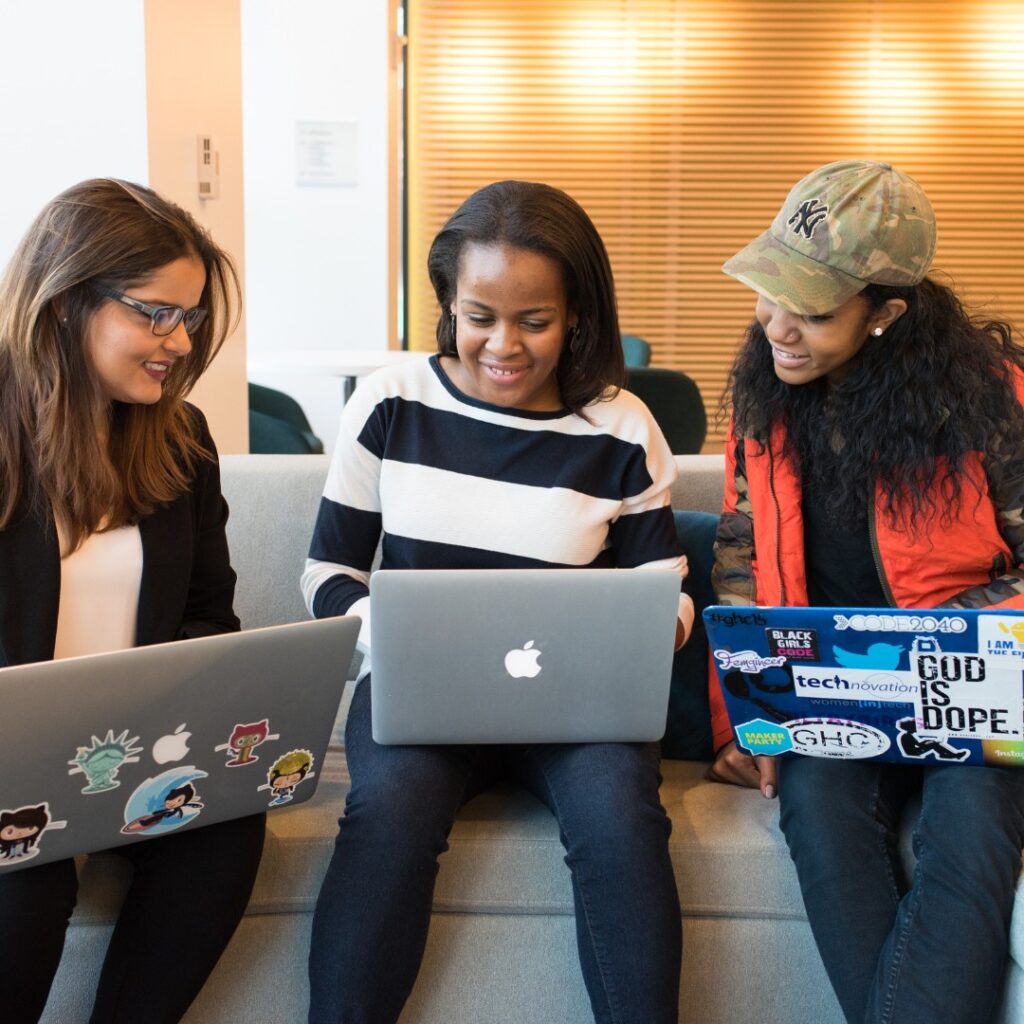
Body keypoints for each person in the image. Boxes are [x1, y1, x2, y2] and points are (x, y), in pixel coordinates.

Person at [302, 179, 691, 1024]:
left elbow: (666, 585)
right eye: (479, 316)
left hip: (578, 706)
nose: (503, 345)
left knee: (620, 818)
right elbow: (328, 572)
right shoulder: (391, 402)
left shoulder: (622, 428)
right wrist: (388, 634)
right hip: (420, 696)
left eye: (534, 321)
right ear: (449, 303)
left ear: (577, 315)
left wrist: (654, 626)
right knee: (390, 811)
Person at [707, 159, 1024, 1024]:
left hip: (970, 690)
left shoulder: (992, 400)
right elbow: (740, 560)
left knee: (973, 827)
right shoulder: (764, 398)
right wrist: (744, 719)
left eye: (811, 311)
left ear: (885, 313)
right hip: (826, 693)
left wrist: (942, 636)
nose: (776, 325)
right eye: (770, 292)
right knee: (815, 811)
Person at [0, 179, 266, 1023]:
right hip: (8, 763)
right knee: (26, 879)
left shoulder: (181, 441)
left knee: (224, 831)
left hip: (132, 749)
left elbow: (209, 617)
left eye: (188, 318)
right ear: (66, 301)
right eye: (156, 314)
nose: (179, 342)